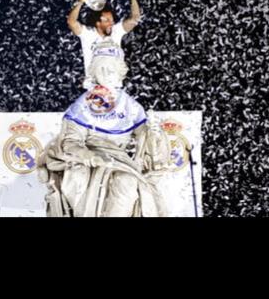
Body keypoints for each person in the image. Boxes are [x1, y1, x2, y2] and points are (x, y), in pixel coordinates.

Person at [36, 51, 172, 217]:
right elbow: (70, 141)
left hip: (120, 161)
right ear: (94, 73)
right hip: (88, 160)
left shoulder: (131, 107)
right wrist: (89, 156)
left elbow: (147, 141)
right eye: (102, 69)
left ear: (120, 73)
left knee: (127, 182)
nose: (107, 74)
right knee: (78, 178)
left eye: (111, 69)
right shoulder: (82, 106)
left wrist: (155, 134)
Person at [66, 0, 142, 90]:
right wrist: (80, 2)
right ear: (97, 23)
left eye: (111, 20)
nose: (111, 23)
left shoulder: (116, 31)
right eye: (106, 20)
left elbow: (135, 19)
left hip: (115, 89)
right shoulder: (88, 34)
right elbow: (71, 22)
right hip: (94, 89)